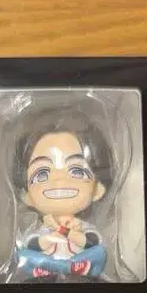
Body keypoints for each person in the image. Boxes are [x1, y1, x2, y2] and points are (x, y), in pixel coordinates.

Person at [11, 112, 112, 282]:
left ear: (98, 189)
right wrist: (52, 235)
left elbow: (90, 244)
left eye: (77, 171)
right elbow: (33, 246)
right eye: (42, 174)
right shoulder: (42, 229)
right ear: (26, 195)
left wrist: (66, 232)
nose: (59, 179)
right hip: (45, 274)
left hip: (81, 272)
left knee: (99, 254)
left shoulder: (82, 227)